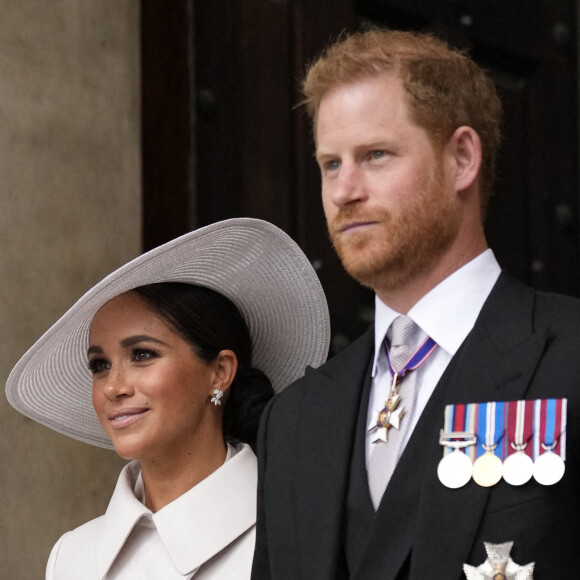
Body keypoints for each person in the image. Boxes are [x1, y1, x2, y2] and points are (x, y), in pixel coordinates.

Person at [251, 28, 580, 580]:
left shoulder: (569, 353)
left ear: (462, 158)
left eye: (374, 155)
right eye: (330, 164)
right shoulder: (294, 421)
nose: (343, 190)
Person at [6, 218, 330, 579]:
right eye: (99, 365)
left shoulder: (306, 536)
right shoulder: (72, 558)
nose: (113, 386)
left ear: (220, 371)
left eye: (142, 355)